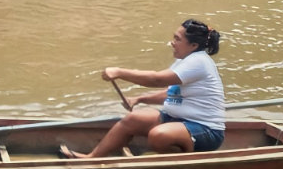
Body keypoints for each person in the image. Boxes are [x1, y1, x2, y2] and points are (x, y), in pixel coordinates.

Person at [62, 19, 225, 159]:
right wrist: (140, 99)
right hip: (177, 120)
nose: (172, 43)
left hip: (206, 130)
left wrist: (119, 72)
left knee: (158, 135)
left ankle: (181, 163)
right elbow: (171, 93)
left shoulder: (198, 62)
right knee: (132, 119)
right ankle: (92, 158)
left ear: (194, 45)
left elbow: (156, 79)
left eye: (177, 39)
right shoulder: (185, 60)